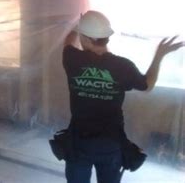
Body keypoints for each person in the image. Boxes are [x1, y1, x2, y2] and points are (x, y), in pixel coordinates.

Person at [62, 10, 183, 183]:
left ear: (87, 39)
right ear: (106, 37)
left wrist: (77, 25)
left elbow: (68, 42)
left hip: (79, 143)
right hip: (110, 144)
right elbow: (147, 85)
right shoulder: (122, 66)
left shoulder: (72, 59)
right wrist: (159, 55)